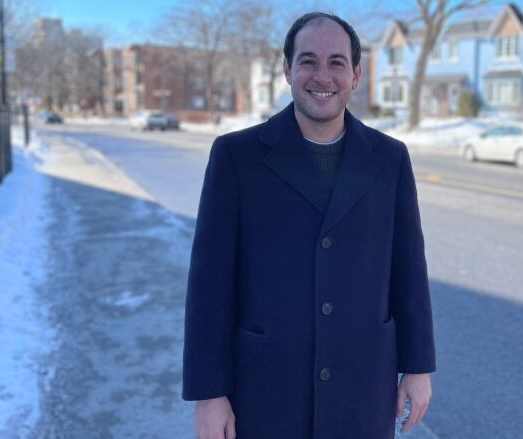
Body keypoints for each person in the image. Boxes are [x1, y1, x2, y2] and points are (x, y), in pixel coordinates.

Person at [182, 12, 436, 439]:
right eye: (308, 61)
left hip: (363, 386)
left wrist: (417, 366)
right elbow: (210, 284)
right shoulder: (236, 157)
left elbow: (408, 270)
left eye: (337, 62)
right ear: (287, 69)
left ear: (356, 74)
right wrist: (209, 394)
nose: (324, 75)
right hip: (266, 390)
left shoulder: (390, 159)